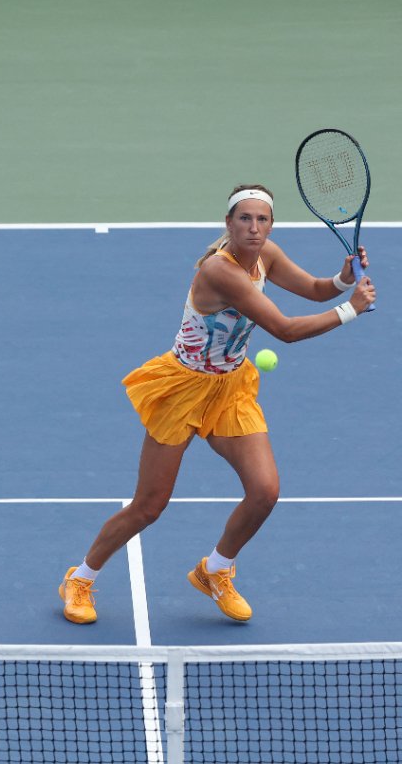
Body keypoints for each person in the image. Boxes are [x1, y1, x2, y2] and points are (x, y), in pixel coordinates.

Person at [59, 184, 376, 624]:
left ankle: (216, 569)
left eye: (262, 219)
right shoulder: (219, 271)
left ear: (270, 224)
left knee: (264, 492)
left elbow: (318, 290)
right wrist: (351, 310)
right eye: (244, 218)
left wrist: (343, 280)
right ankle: (81, 576)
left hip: (230, 389)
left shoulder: (267, 254)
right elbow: (284, 329)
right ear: (228, 224)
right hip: (182, 390)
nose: (254, 227)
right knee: (149, 505)